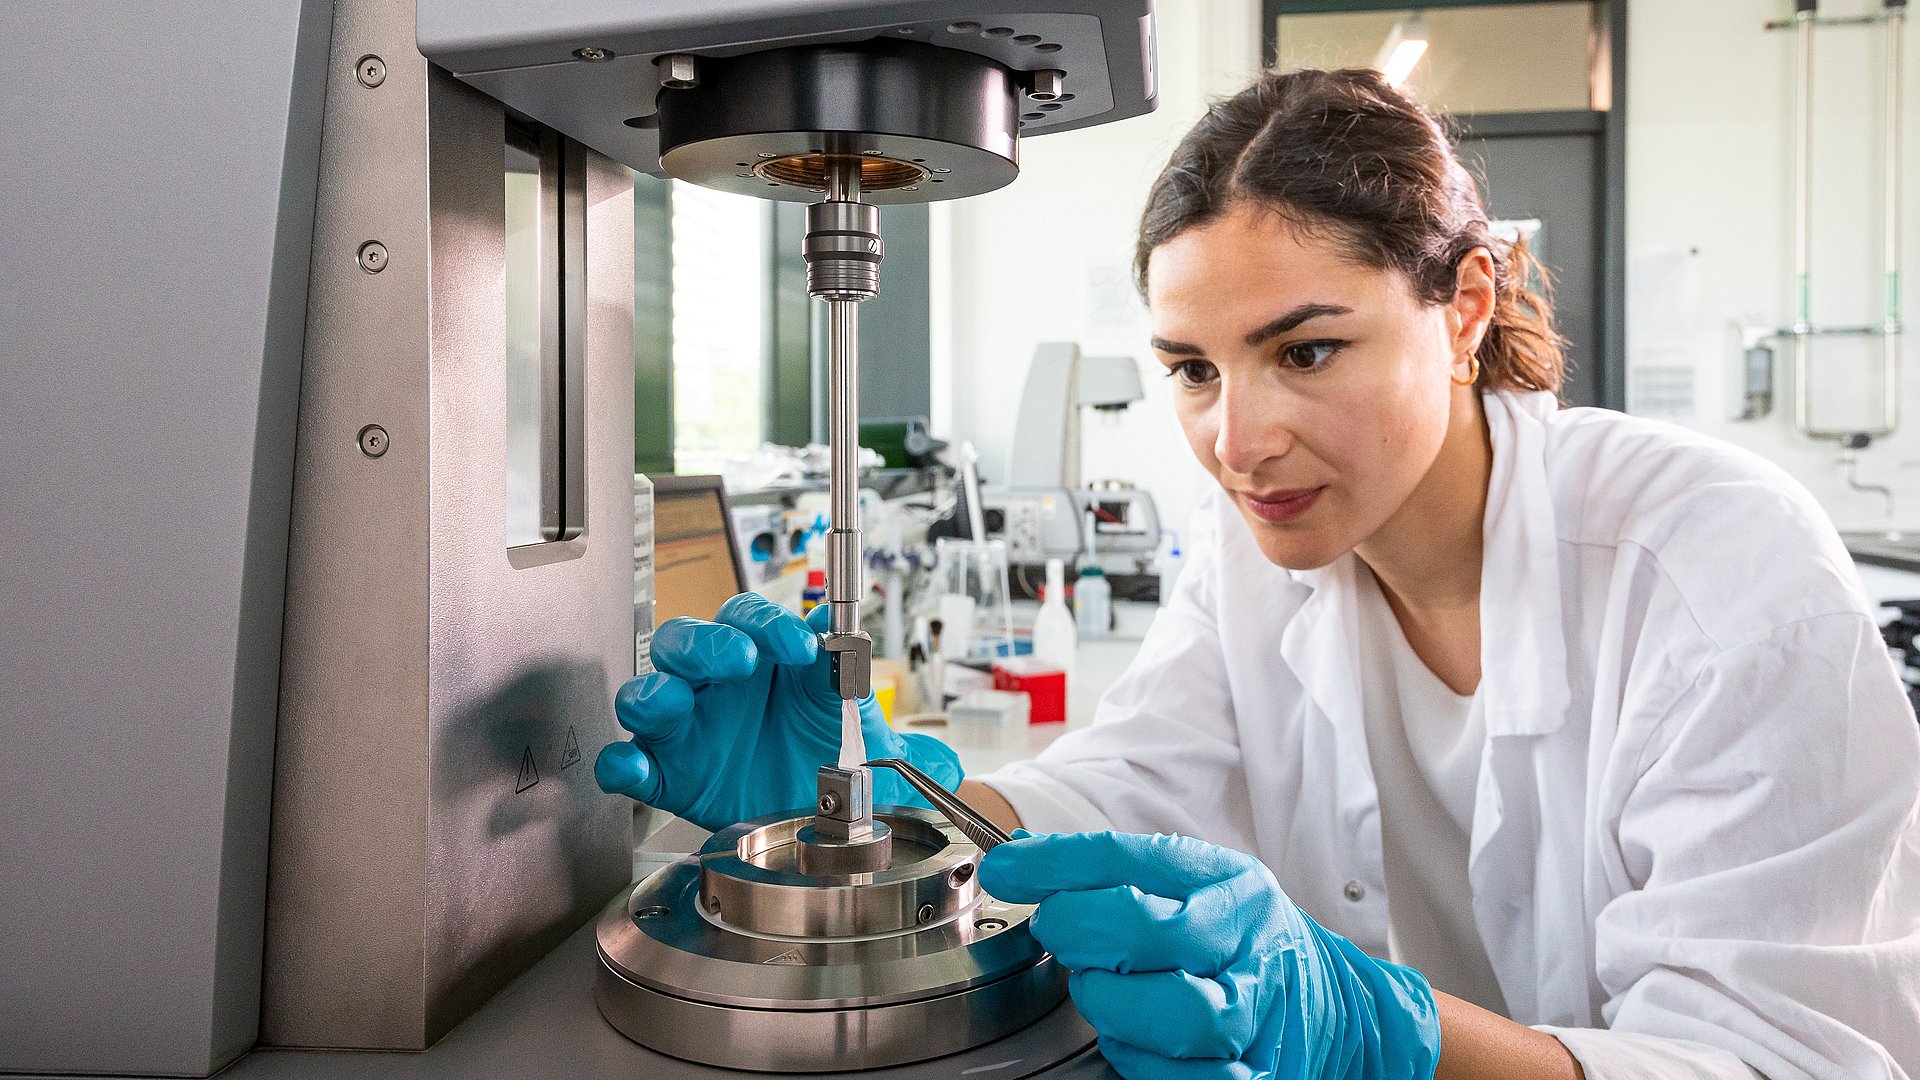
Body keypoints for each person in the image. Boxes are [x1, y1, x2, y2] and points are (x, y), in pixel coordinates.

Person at [596, 68, 1920, 1079]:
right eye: (1193, 369)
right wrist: (892, 816)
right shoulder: (1269, 554)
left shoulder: (1715, 570)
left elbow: (1774, 1058)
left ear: (1464, 304)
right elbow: (1134, 784)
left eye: (1307, 351)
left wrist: (1372, 1034)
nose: (1237, 440)